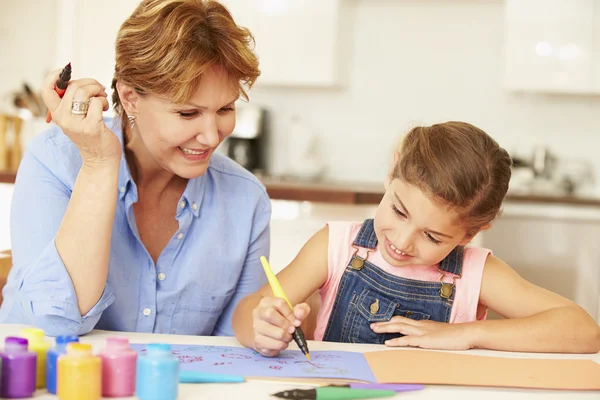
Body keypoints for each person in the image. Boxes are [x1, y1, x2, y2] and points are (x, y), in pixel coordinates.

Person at [0, 0, 270, 337]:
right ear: (130, 99)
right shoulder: (53, 160)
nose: (212, 135)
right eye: (188, 113)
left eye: (226, 108)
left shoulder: (245, 198)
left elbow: (234, 346)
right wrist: (99, 163)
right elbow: (59, 322)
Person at [232, 122, 600, 355]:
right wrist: (262, 327)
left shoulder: (475, 273)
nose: (403, 242)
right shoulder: (336, 245)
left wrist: (469, 334)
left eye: (433, 236)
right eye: (399, 211)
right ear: (391, 174)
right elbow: (247, 313)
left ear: (470, 233)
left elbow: (583, 331)